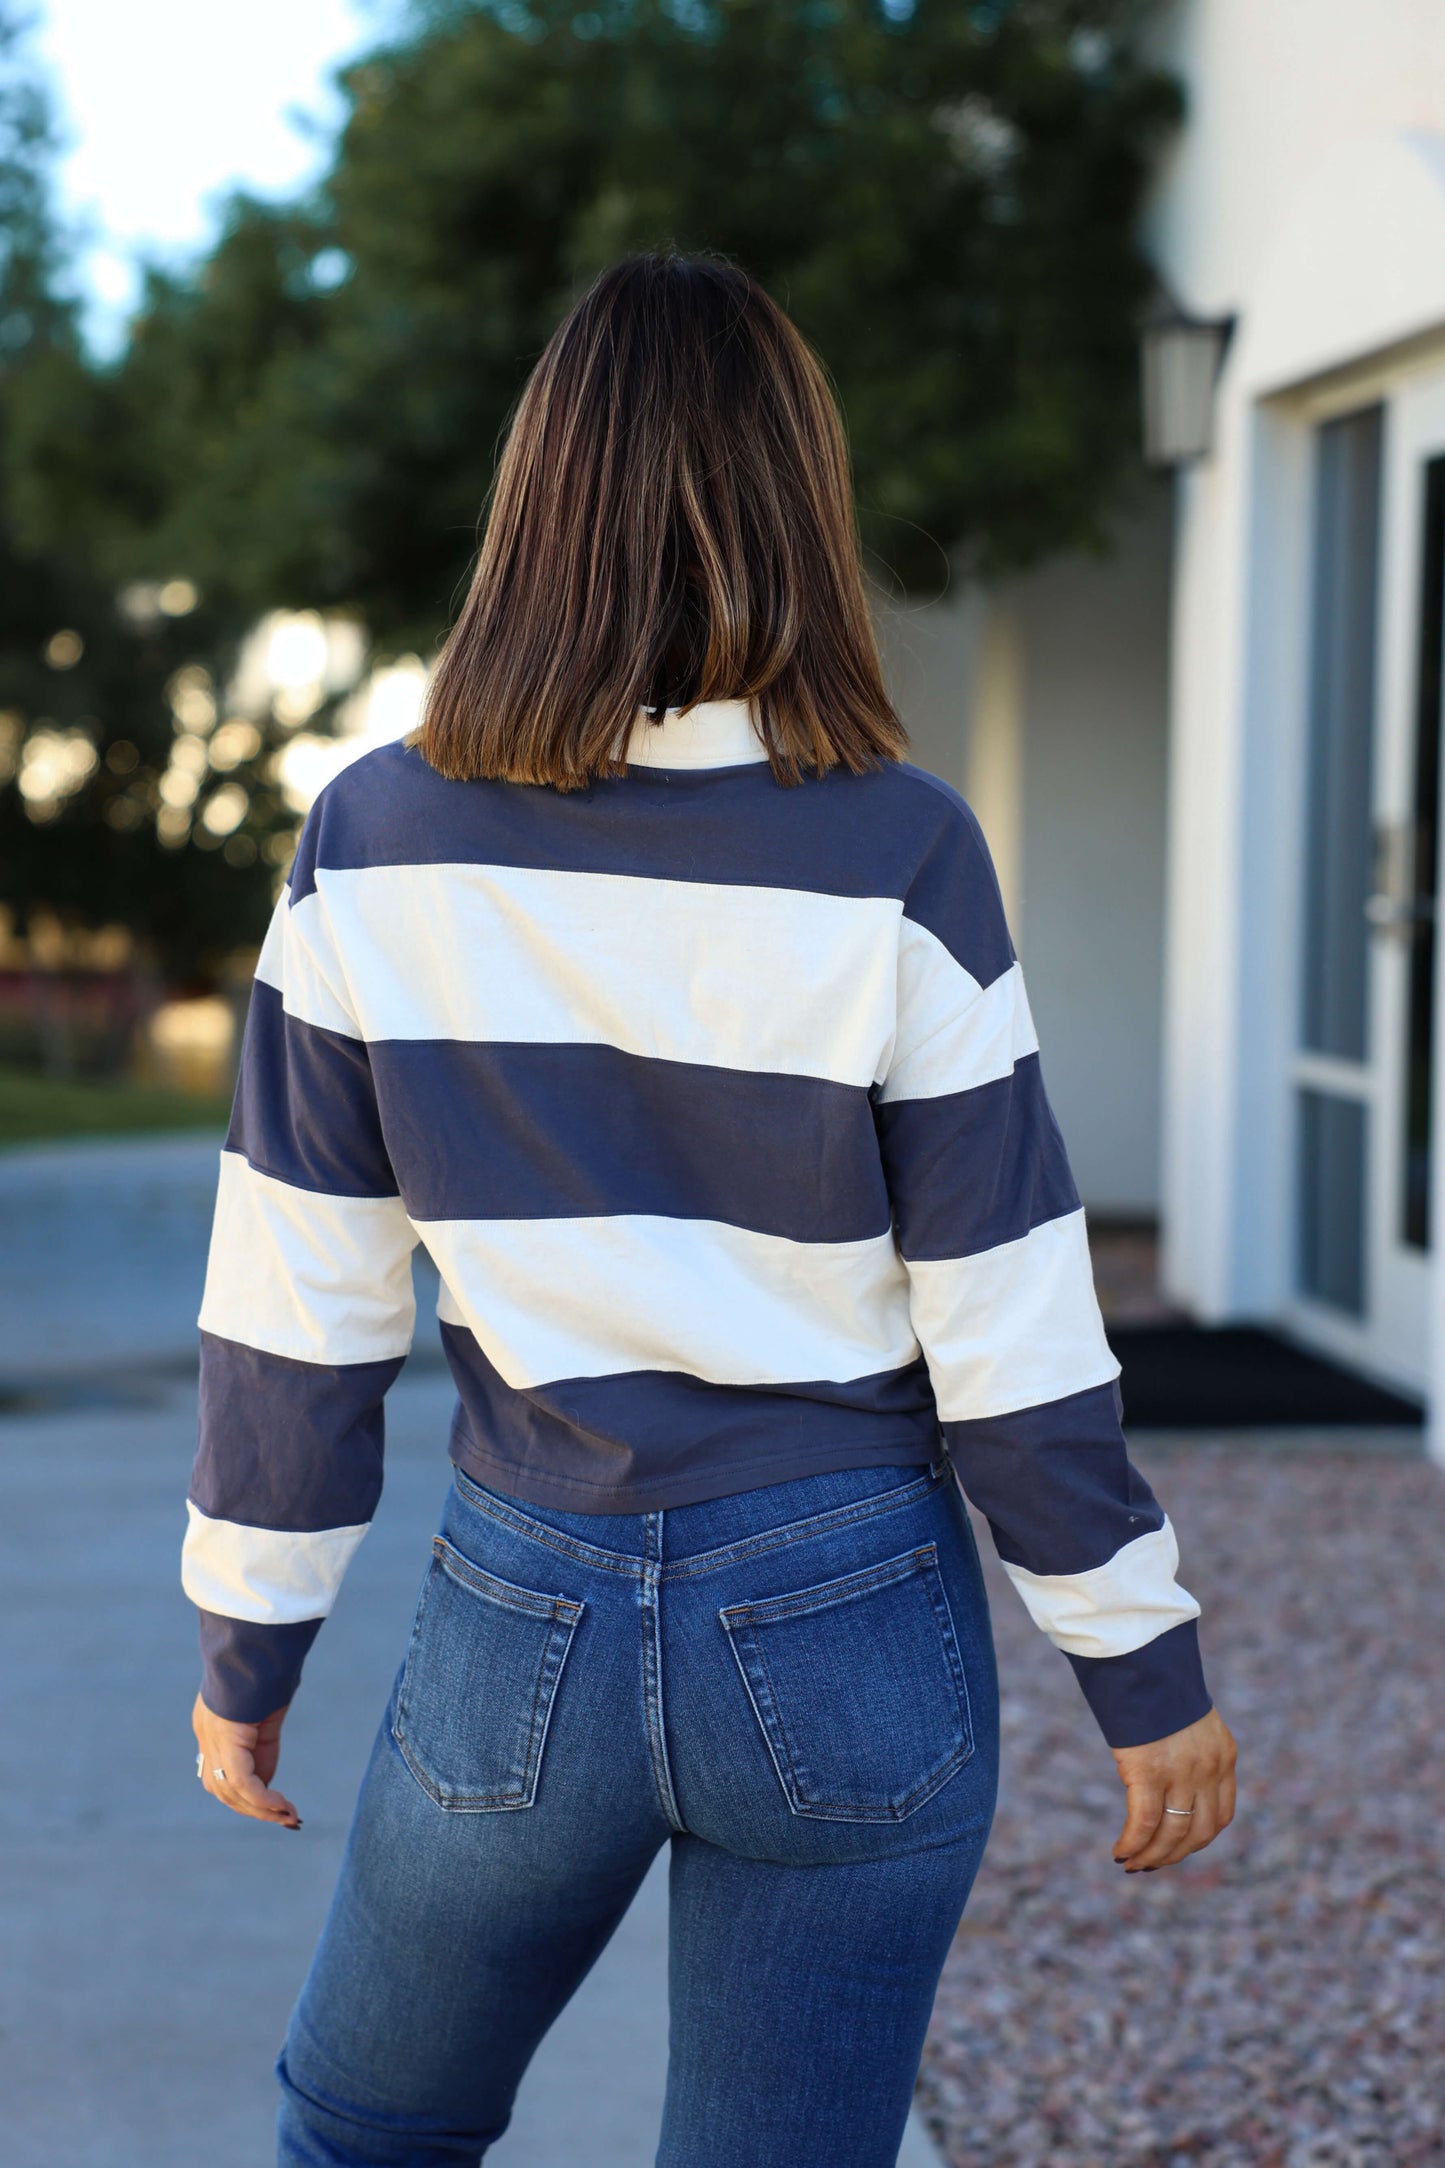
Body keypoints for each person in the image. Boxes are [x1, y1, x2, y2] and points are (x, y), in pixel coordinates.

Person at [183, 249, 1236, 2168]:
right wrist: (1135, 1660)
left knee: (363, 2139)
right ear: (795, 503)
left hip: (523, 1611)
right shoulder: (902, 844)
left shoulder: (372, 837)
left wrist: (253, 1632)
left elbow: (299, 1292)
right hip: (849, 1616)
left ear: (535, 505)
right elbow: (1004, 1311)